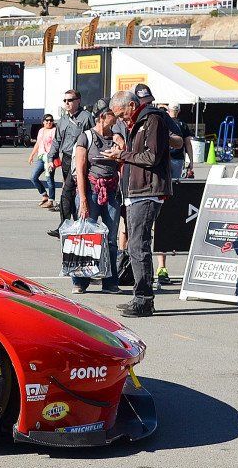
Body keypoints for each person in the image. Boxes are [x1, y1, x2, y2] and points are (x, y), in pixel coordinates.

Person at [115, 85, 173, 318]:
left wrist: (122, 155)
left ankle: (144, 299)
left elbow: (151, 157)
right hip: (136, 191)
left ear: (131, 105)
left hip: (147, 191)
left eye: (122, 114)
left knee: (138, 244)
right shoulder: (138, 122)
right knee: (135, 244)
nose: (121, 119)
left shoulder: (152, 120)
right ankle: (140, 296)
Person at [72, 106, 125, 293]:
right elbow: (80, 169)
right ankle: (80, 282)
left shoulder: (117, 137)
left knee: (111, 239)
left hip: (111, 193)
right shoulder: (86, 137)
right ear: (103, 117)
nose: (117, 120)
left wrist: (121, 144)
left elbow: (124, 163)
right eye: (113, 117)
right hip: (91, 191)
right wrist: (84, 199)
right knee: (86, 236)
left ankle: (110, 282)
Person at [48, 89, 93, 236]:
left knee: (68, 192)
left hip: (80, 159)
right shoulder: (63, 120)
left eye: (70, 100)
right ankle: (71, 223)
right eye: (65, 101)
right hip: (67, 158)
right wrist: (50, 158)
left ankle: (65, 225)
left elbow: (93, 136)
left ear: (78, 101)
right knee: (70, 192)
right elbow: (57, 140)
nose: (67, 103)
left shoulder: (86, 118)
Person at [156, 104, 192, 287]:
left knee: (170, 217)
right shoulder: (151, 126)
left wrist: (190, 162)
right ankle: (159, 267)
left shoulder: (179, 126)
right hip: (156, 176)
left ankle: (167, 267)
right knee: (159, 221)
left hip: (175, 163)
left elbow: (184, 143)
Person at [27, 114, 58, 208]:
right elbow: (38, 143)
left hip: (50, 158)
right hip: (41, 157)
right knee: (33, 177)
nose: (49, 122)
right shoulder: (41, 131)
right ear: (43, 122)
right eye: (47, 120)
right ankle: (44, 195)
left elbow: (56, 144)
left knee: (49, 179)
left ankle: (51, 200)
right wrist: (32, 155)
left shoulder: (54, 131)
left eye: (51, 120)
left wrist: (51, 159)